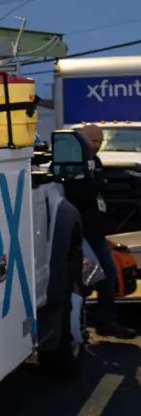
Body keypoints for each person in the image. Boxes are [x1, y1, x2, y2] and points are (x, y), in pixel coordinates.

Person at [71, 124, 136, 338]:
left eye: (99, 140)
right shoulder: (71, 164)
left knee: (108, 276)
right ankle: (80, 326)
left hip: (95, 233)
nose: (96, 145)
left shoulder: (95, 162)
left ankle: (106, 322)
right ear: (80, 139)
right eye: (92, 140)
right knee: (84, 281)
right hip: (78, 234)